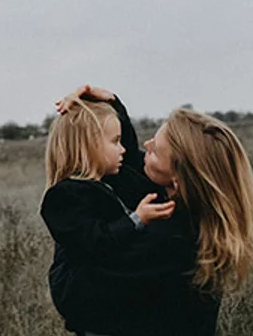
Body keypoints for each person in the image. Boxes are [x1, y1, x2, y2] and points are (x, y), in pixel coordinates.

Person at [48, 85, 253, 336]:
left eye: (155, 149)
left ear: (176, 179)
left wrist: (69, 235)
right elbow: (131, 163)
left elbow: (75, 298)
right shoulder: (189, 214)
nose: (146, 144)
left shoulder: (166, 243)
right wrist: (113, 106)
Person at [40, 99, 177, 335]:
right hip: (96, 317)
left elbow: (133, 157)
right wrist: (137, 220)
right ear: (88, 146)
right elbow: (93, 242)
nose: (122, 149)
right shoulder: (64, 196)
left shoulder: (109, 181)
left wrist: (114, 104)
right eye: (115, 142)